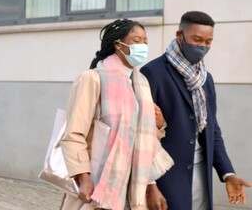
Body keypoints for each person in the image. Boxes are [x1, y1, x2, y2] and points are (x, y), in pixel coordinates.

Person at [140, 11, 252, 210]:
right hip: (166, 176)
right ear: (179, 36)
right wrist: (150, 185)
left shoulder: (205, 79)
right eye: (197, 39)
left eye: (208, 42)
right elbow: (141, 136)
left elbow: (212, 129)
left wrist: (228, 173)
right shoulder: (152, 73)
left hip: (202, 173)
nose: (203, 46)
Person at [59, 19, 173, 210]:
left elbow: (140, 142)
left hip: (132, 193)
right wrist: (82, 176)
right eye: (137, 40)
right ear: (118, 45)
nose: (143, 46)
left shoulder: (141, 84)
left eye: (145, 41)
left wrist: (159, 124)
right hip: (98, 186)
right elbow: (73, 135)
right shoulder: (92, 79)